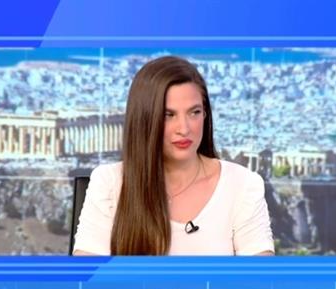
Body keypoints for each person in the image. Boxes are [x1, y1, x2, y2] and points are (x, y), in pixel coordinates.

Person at [72, 56, 274, 256]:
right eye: (168, 115)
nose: (184, 129)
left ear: (205, 114)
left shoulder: (242, 185)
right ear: (144, 119)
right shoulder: (109, 183)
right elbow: (88, 272)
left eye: (194, 112)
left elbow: (260, 274)